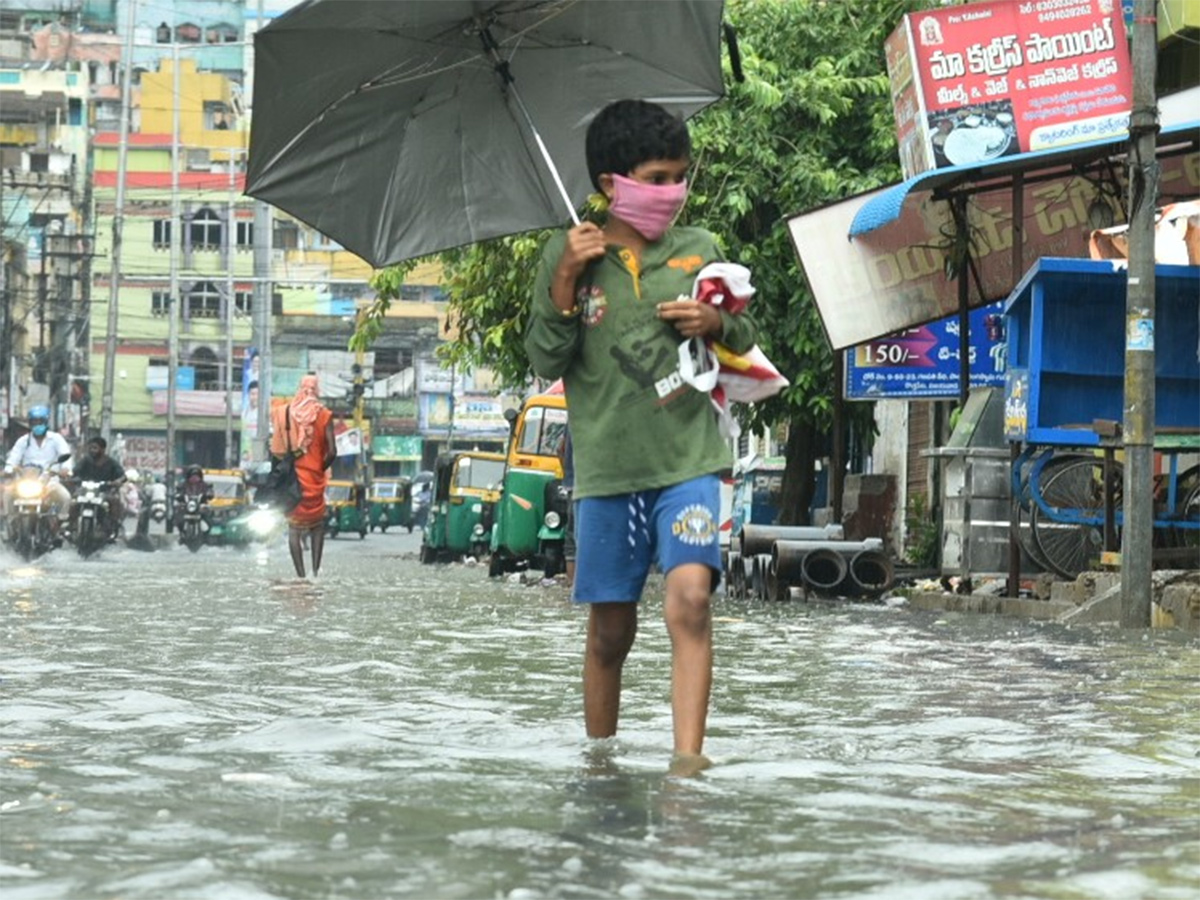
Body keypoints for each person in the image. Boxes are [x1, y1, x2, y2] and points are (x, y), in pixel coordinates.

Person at [524, 100, 757, 773]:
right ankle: (600, 764)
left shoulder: (701, 251)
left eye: (680, 178)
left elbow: (742, 337)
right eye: (656, 178)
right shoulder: (566, 254)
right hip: (606, 471)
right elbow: (546, 358)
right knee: (609, 633)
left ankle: (688, 764)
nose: (672, 194)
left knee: (690, 601)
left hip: (688, 457)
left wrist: (713, 326)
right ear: (611, 183)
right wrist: (567, 276)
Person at [270, 373, 335, 578]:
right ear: (317, 390)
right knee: (317, 526)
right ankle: (315, 573)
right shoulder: (325, 415)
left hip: (293, 481)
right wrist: (319, 468)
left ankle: (300, 576)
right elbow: (332, 452)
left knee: (294, 528)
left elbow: (277, 450)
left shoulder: (285, 412)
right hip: (315, 480)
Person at [3, 405, 73, 535]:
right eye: (34, 422)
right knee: (7, 495)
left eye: (40, 422)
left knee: (65, 497)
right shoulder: (22, 441)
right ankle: (11, 525)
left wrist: (65, 469)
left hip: (50, 482)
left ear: (46, 422)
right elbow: (13, 459)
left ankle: (58, 526)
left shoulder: (56, 439)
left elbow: (66, 456)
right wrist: (9, 469)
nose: (37, 425)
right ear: (30, 423)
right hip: (25, 481)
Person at [69, 436, 127, 539]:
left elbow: (122, 476)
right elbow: (75, 472)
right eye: (90, 448)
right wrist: (74, 478)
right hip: (85, 491)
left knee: (114, 500)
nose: (92, 451)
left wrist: (117, 481)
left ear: (103, 449)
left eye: (95, 448)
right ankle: (71, 526)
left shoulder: (111, 462)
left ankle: (112, 526)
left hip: (104, 492)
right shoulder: (85, 460)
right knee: (73, 501)